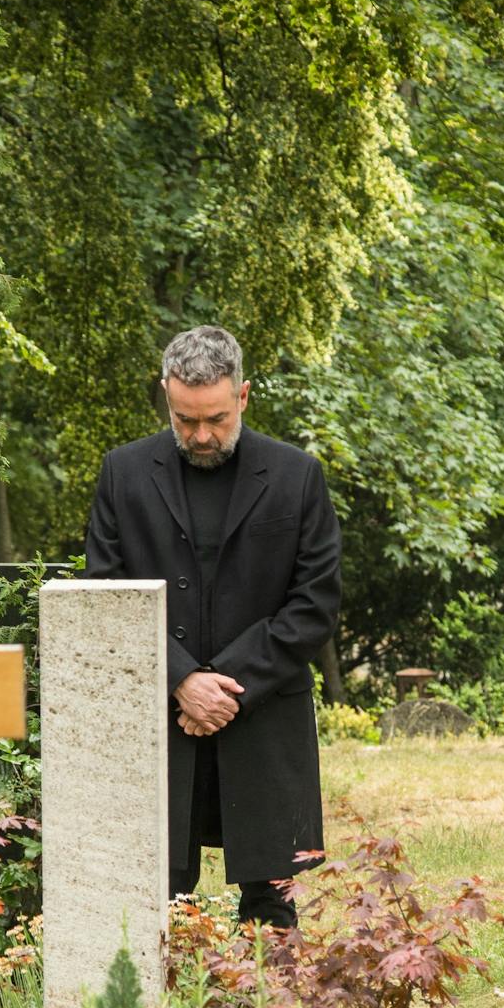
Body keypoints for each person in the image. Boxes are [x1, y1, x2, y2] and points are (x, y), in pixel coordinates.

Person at [83, 326, 342, 928]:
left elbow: (315, 605)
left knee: (272, 906)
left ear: (244, 397)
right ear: (167, 398)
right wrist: (180, 681)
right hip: (160, 724)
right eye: (184, 419)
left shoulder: (297, 476)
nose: (201, 435)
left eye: (216, 419)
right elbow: (105, 593)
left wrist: (221, 684)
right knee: (154, 901)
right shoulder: (122, 473)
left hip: (263, 718)